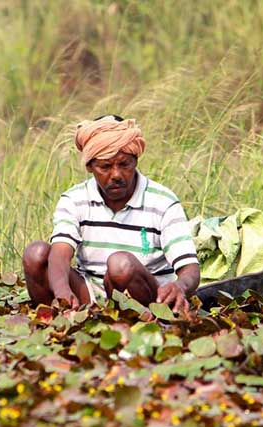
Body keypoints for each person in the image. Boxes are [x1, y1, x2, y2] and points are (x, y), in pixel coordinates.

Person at [22, 115, 200, 315]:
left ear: (136, 160)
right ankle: (58, 321)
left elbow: (190, 268)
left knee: (120, 265)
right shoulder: (74, 199)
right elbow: (61, 251)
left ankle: (143, 322)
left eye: (124, 164)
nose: (116, 175)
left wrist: (181, 286)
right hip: (89, 295)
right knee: (35, 254)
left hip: (147, 299)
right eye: (105, 167)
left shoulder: (163, 202)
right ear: (90, 167)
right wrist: (62, 291)